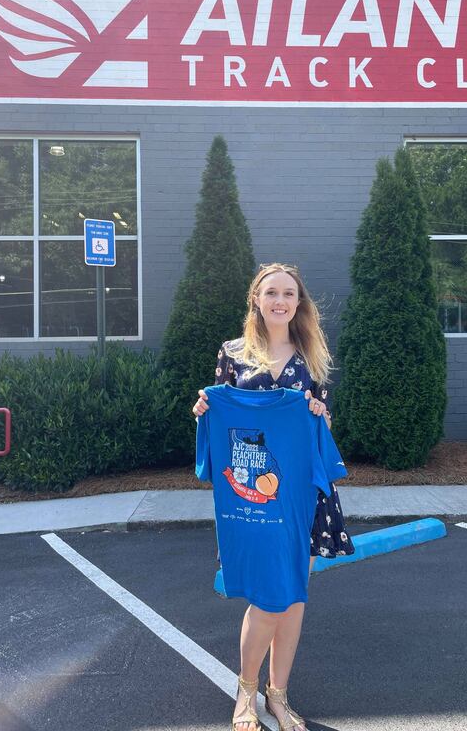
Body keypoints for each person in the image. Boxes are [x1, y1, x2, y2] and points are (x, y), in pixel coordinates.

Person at [193, 262, 354, 731]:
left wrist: (321, 414)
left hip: (303, 494)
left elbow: (321, 428)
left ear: (298, 303)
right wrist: (202, 407)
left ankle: (278, 694)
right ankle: (245, 693)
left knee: (295, 595)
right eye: (271, 293)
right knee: (269, 596)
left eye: (289, 294)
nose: (280, 301)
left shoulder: (310, 356)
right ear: (256, 300)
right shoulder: (233, 352)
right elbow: (218, 412)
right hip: (254, 497)